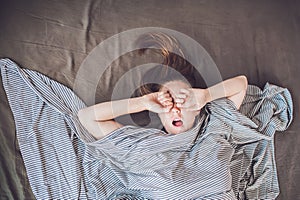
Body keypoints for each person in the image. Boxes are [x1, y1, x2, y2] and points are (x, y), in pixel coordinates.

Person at [77, 32, 248, 139]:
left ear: (197, 109)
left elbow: (241, 84)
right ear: (158, 115)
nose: (175, 109)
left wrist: (206, 95)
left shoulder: (214, 130)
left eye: (183, 100)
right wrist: (142, 103)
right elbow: (86, 117)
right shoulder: (144, 142)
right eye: (168, 102)